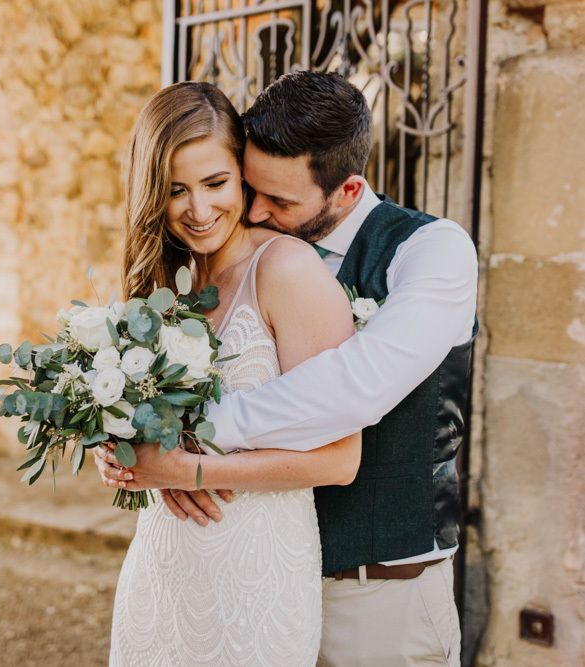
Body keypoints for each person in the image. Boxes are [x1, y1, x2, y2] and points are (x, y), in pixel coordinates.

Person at [97, 71, 478, 667]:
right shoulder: (195, 274)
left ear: (347, 190)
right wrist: (122, 433)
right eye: (251, 188)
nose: (255, 211)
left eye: (277, 200)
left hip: (375, 587)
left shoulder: (429, 252)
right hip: (247, 571)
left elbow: (357, 387)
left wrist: (184, 444)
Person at [102, 80, 362, 666]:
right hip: (163, 563)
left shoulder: (287, 271)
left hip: (256, 576)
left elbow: (341, 460)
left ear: (243, 177)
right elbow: (143, 424)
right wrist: (112, 444)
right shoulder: (164, 284)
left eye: (216, 184)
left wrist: (188, 471)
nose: (198, 210)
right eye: (175, 190)